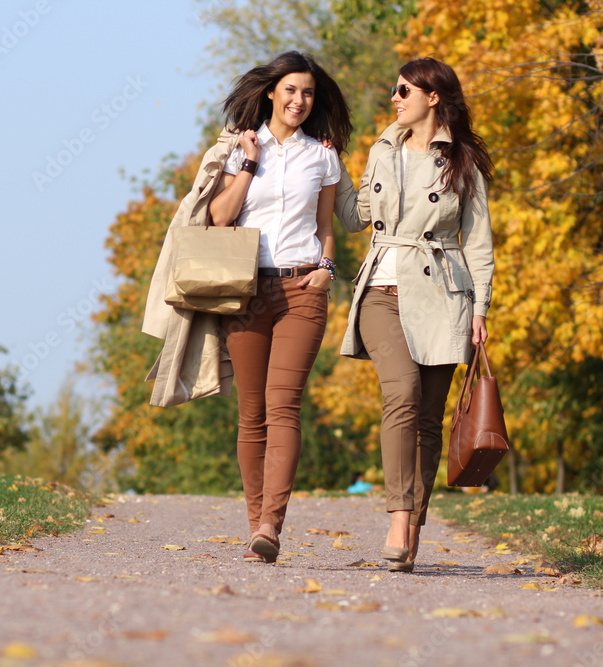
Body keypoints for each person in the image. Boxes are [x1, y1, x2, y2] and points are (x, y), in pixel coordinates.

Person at [334, 57, 495, 573]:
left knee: (428, 417)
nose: (394, 98)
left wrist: (481, 309)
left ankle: (413, 528)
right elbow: (355, 217)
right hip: (382, 289)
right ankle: (399, 517)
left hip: (443, 296)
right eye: (394, 89)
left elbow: (479, 244)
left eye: (404, 90)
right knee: (401, 394)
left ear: (433, 97)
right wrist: (332, 165)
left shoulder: (462, 161)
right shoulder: (383, 152)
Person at [208, 51, 352, 563]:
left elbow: (327, 226)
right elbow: (220, 216)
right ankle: (256, 528)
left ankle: (272, 523)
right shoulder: (241, 148)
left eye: (308, 92)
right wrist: (249, 162)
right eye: (291, 89)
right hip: (247, 290)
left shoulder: (323, 156)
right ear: (271, 91)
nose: (299, 100)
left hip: (301, 290)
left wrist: (326, 268)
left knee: (283, 404)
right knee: (252, 414)